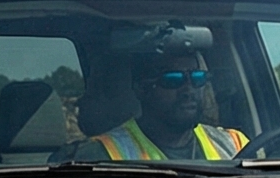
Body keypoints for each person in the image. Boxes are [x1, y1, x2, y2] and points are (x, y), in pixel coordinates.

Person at [79, 29, 249, 162]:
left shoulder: (235, 145)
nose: (188, 90)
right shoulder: (101, 155)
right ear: (141, 89)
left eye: (198, 78)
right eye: (173, 79)